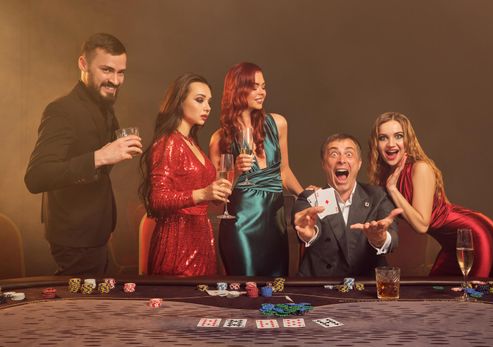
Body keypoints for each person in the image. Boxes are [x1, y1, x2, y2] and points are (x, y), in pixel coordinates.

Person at [24, 33, 142, 275]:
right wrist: (100, 156)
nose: (116, 80)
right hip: (74, 238)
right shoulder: (61, 110)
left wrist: (112, 155)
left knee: (98, 307)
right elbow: (36, 177)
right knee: (80, 310)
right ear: (83, 64)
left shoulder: (104, 106)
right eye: (107, 70)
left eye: (121, 72)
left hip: (96, 233)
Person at [368, 112, 493, 277]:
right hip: (449, 244)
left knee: (473, 297)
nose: (391, 144)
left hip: (471, 237)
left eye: (398, 136)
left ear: (407, 140)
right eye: (383, 138)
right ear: (376, 144)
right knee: (441, 295)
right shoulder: (387, 176)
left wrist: (393, 189)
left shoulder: (420, 168)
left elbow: (422, 225)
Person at [209, 62, 303, 276]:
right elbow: (217, 198)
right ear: (238, 90)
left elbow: (284, 172)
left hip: (276, 222)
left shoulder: (278, 123)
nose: (262, 92)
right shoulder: (220, 139)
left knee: (276, 289)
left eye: (264, 86)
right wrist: (236, 171)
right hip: (241, 222)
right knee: (246, 290)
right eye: (255, 87)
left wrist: (306, 195)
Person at [139, 74, 232, 276]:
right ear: (179, 102)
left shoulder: (191, 142)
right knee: (180, 305)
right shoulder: (168, 142)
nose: (207, 107)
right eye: (200, 100)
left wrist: (215, 193)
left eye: (209, 101)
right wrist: (202, 194)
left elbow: (205, 197)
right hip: (177, 242)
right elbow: (157, 199)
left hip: (201, 239)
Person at [293, 133, 402, 277]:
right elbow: (309, 229)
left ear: (359, 163)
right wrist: (309, 234)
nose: (342, 160)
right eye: (334, 154)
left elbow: (393, 239)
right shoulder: (309, 198)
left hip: (368, 287)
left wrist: (380, 238)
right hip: (318, 286)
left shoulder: (378, 196)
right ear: (324, 164)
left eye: (349, 154)